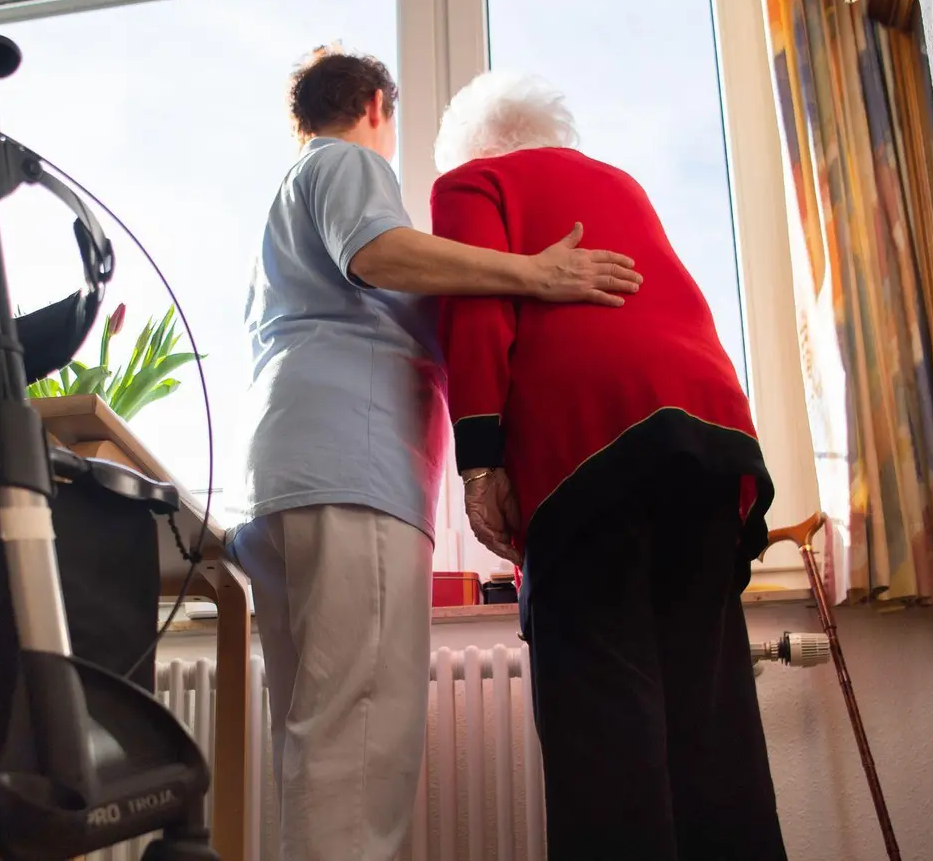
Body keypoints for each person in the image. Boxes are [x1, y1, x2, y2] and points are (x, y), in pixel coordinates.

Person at [230, 47, 641, 861]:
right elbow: (378, 253)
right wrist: (533, 272)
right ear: (379, 105)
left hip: (284, 480)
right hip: (350, 475)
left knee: (318, 745)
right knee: (359, 749)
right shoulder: (346, 162)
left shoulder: (287, 209)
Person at [430, 70, 786, 860]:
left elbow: (477, 311)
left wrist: (482, 462)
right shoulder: (618, 184)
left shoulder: (470, 183)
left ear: (467, 146)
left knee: (605, 732)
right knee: (711, 726)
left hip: (589, 452)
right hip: (709, 443)